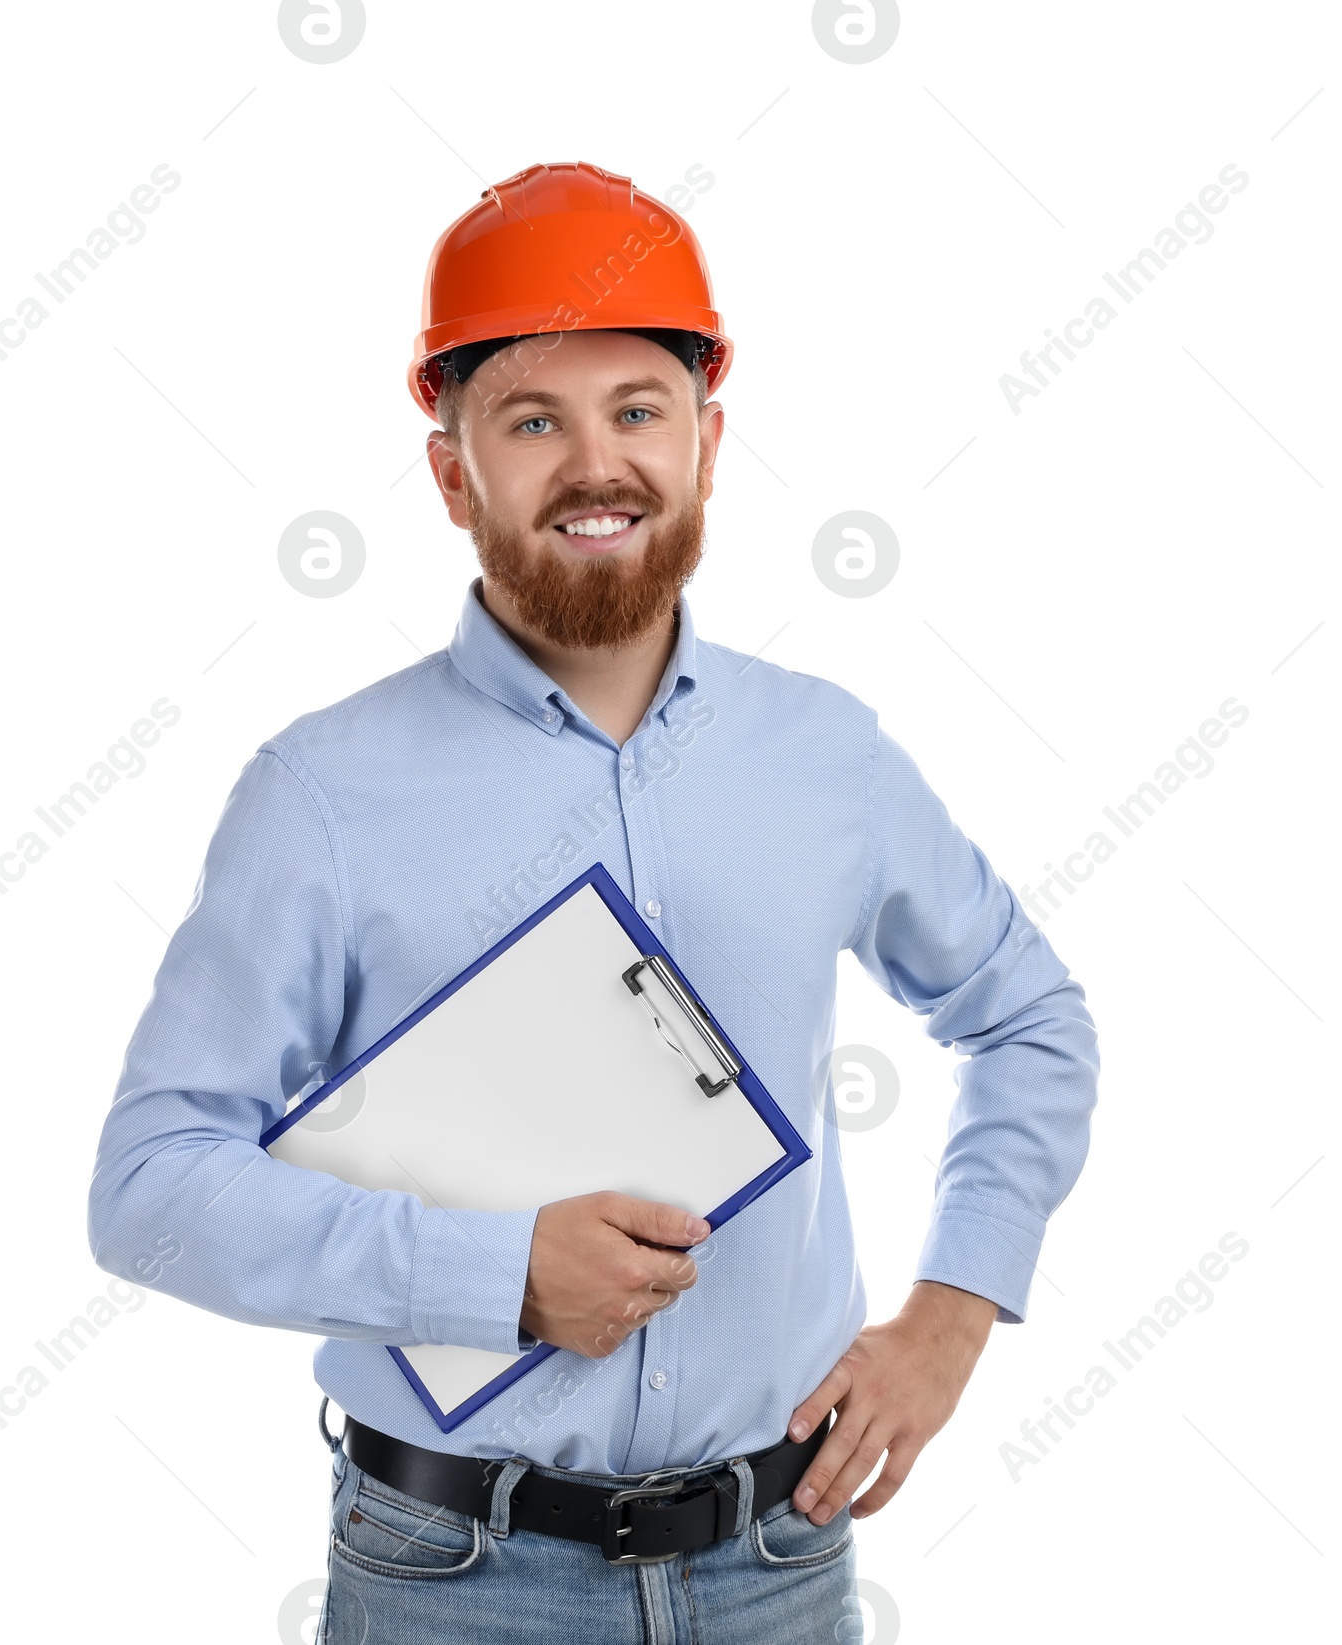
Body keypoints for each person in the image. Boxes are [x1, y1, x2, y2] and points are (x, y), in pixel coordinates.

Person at [87, 160, 1100, 1643]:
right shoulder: (318, 793)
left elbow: (1031, 1017)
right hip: (454, 1580)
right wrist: (490, 1273)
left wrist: (951, 1318)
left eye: (637, 408)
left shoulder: (828, 754)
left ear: (706, 443)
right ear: (454, 473)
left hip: (780, 1563)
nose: (596, 463)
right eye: (533, 420)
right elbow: (150, 1188)